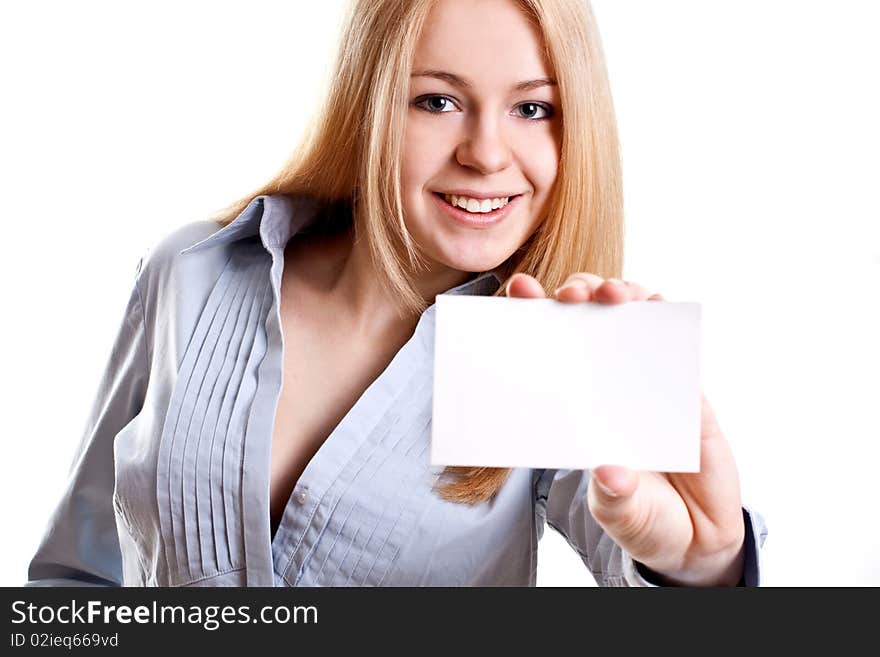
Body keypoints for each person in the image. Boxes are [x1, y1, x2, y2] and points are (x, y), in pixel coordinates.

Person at [25, 0, 767, 587]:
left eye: (533, 108)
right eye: (438, 102)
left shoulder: (554, 350)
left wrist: (701, 568)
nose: (485, 153)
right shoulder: (190, 271)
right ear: (368, 102)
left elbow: (644, 556)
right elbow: (75, 580)